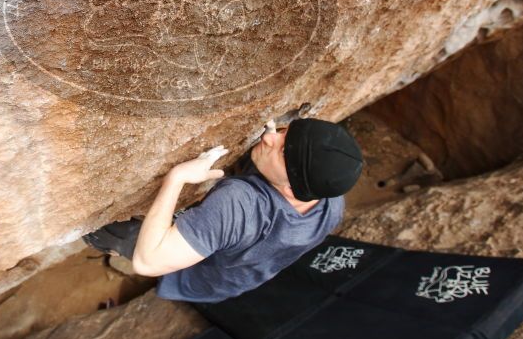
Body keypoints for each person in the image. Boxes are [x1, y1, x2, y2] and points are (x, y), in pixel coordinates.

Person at [83, 117, 363, 303]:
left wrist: (177, 178)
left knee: (115, 230)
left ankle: (103, 241)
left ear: (291, 187)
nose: (269, 137)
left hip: (198, 278)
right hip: (238, 279)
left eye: (281, 151)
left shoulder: (239, 204)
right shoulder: (331, 203)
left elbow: (149, 261)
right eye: (284, 131)